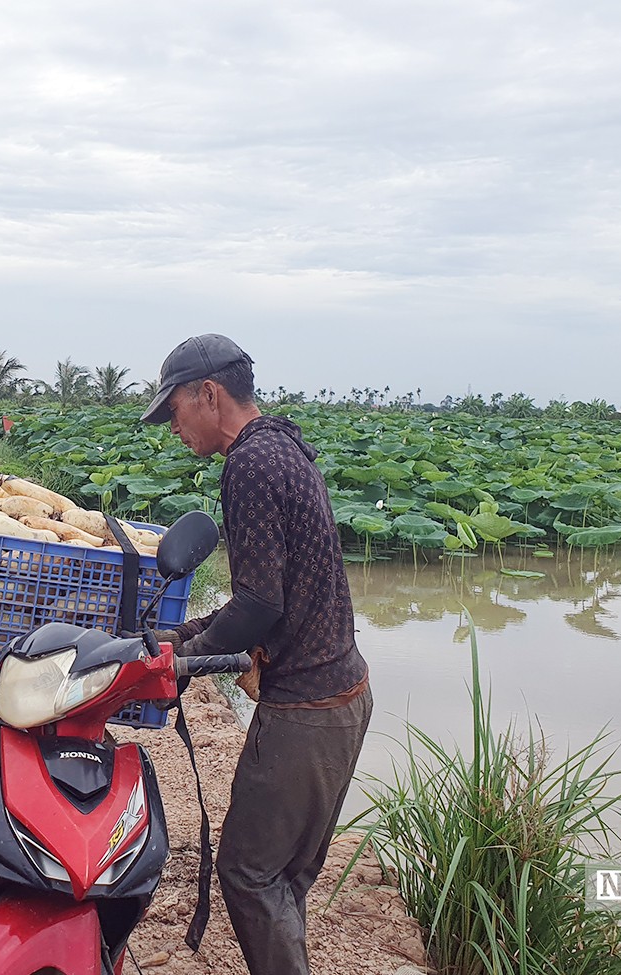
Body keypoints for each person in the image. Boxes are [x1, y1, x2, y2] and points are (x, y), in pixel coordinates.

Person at [142, 335, 372, 975]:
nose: (174, 429)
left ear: (208, 395)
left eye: (175, 412)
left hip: (306, 709)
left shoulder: (246, 465)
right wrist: (188, 636)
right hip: (344, 696)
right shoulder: (284, 442)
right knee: (285, 877)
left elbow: (259, 606)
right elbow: (270, 598)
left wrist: (185, 661)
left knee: (246, 874)